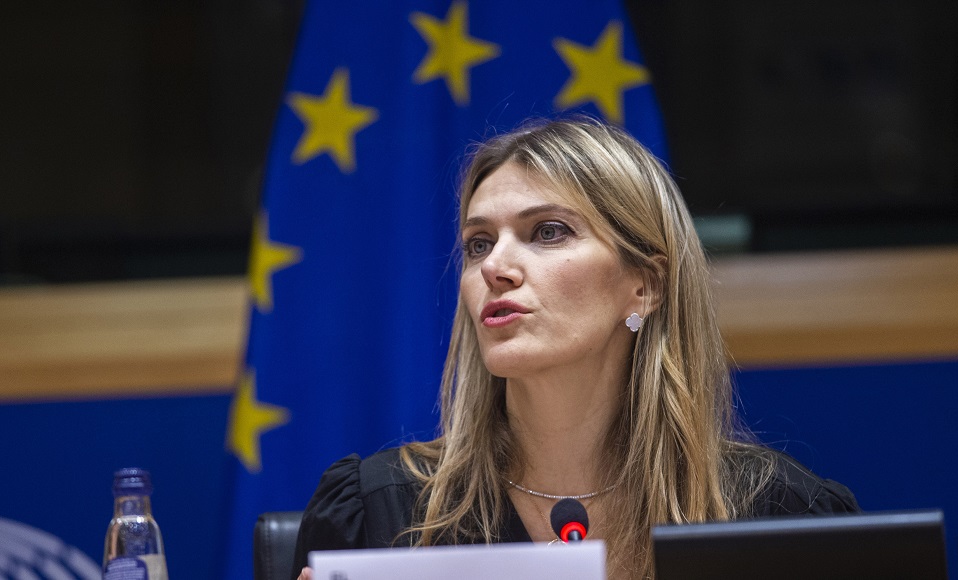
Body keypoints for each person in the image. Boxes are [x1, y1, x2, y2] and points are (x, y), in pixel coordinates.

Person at [290, 117, 858, 580]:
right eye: (478, 243)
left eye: (548, 232)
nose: (494, 267)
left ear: (645, 286)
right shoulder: (380, 513)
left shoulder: (774, 517)